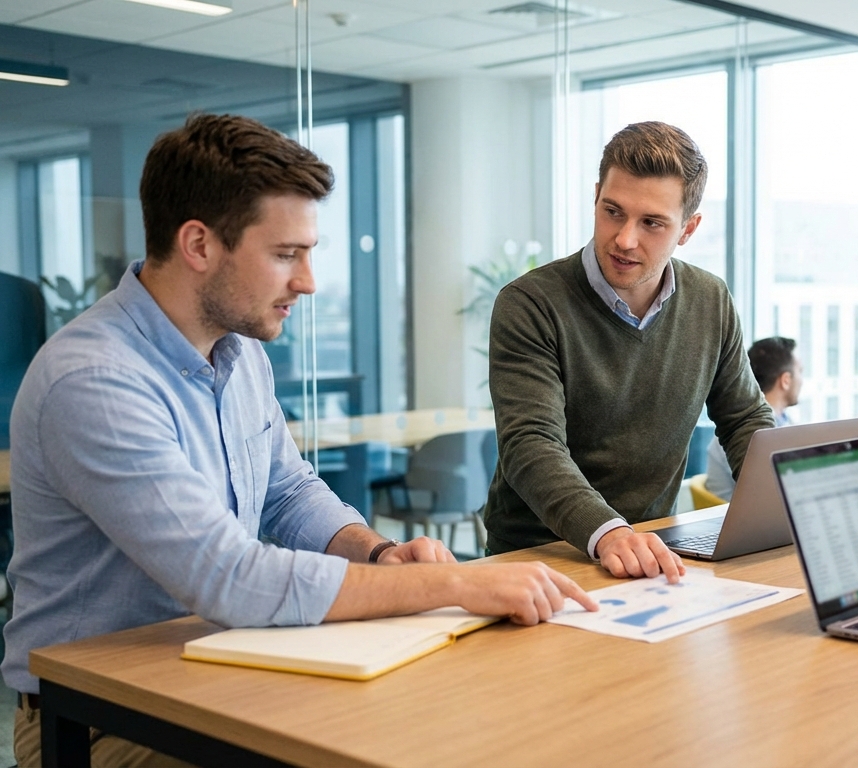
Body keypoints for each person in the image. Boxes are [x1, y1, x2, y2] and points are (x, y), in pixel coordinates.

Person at [3, 114, 596, 768]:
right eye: (287, 255)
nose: (309, 282)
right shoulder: (93, 381)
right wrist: (453, 585)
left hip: (211, 669)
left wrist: (376, 553)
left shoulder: (237, 353)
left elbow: (286, 493)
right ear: (199, 245)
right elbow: (229, 577)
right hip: (93, 720)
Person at [483, 121, 775, 581]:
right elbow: (532, 444)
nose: (624, 239)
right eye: (613, 211)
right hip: (538, 554)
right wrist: (609, 533)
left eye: (651, 223)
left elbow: (744, 419)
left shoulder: (709, 299)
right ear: (597, 195)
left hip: (652, 548)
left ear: (688, 229)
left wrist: (788, 503)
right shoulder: (531, 303)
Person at [703, 336, 803, 500]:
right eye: (800, 371)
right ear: (785, 380)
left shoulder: (785, 423)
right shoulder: (740, 433)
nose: (802, 380)